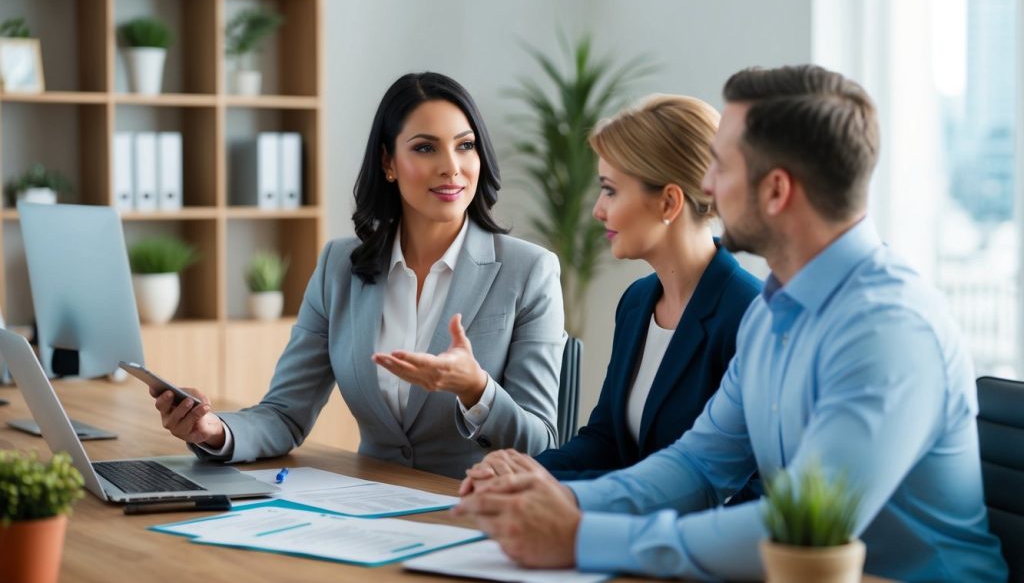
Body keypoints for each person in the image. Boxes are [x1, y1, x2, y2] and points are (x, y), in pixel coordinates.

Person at [455, 65, 1008, 582]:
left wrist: (580, 536)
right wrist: (559, 500)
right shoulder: (774, 311)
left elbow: (799, 531)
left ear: (776, 190)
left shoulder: (888, 331)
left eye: (720, 165)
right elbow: (698, 466)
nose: (707, 187)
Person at [149, 72, 566, 479]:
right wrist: (214, 431)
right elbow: (284, 414)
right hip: (368, 505)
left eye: (465, 146)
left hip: (472, 511)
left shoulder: (529, 271)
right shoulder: (339, 266)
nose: (451, 167)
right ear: (388, 162)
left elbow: (542, 444)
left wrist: (477, 389)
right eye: (425, 148)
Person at [460, 94, 760, 489]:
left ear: (669, 201)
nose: (598, 210)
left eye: (611, 190)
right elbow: (606, 441)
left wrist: (557, 492)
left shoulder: (749, 313)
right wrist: (527, 470)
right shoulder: (637, 303)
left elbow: (741, 487)